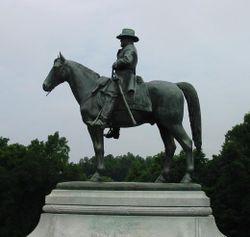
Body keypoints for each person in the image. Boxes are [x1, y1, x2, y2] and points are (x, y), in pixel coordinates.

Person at [94, 28, 139, 139]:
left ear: (128, 39)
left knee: (111, 92)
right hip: (121, 75)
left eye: (122, 39)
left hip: (126, 76)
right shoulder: (126, 48)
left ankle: (102, 119)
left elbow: (128, 60)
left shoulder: (130, 49)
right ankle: (115, 128)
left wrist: (117, 62)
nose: (120, 41)